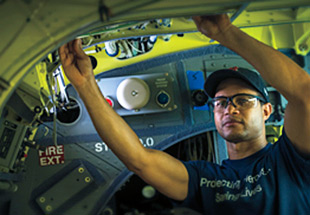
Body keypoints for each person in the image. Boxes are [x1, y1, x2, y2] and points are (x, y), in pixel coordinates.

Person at [59, 14, 310, 214]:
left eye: (242, 100)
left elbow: (303, 93)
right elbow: (139, 160)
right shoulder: (207, 180)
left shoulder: (289, 160)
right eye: (220, 102)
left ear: (266, 110)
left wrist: (225, 33)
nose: (229, 108)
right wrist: (85, 85)